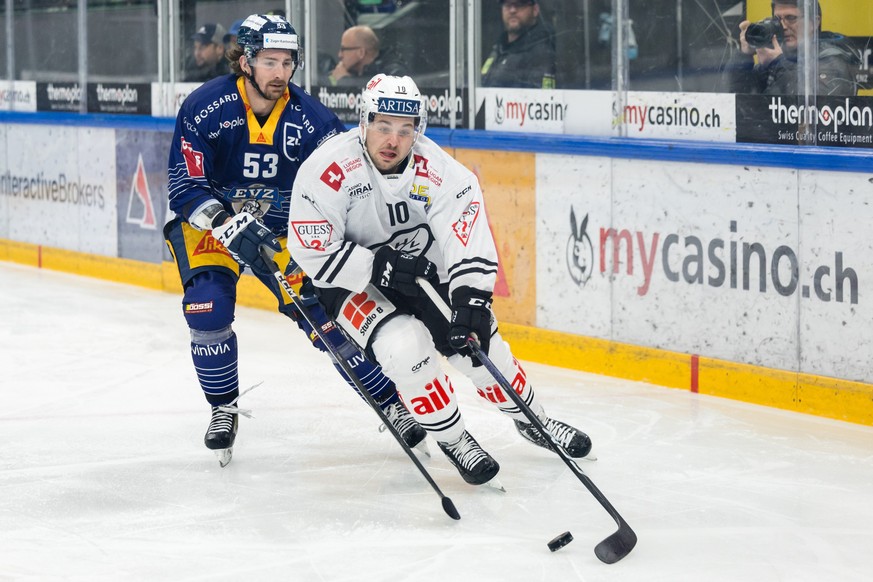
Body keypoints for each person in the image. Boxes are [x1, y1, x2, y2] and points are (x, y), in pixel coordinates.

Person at [287, 74, 591, 486]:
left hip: (423, 275)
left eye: (404, 130)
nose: (392, 140)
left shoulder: (445, 173)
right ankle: (453, 438)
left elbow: (467, 241)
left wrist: (472, 301)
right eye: (382, 126)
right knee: (405, 347)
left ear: (418, 131)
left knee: (481, 347)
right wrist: (381, 267)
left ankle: (534, 418)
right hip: (352, 282)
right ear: (363, 122)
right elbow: (312, 251)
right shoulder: (327, 170)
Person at [165, 15, 425, 466]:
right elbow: (185, 186)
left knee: (326, 321)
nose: (280, 73)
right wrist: (225, 222)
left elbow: (340, 183)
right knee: (207, 308)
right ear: (245, 61)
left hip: (282, 234)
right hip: (210, 228)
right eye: (270, 61)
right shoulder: (205, 107)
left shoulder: (312, 119)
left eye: (288, 62)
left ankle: (391, 404)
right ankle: (223, 407)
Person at [736, 0, 857, 95]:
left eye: (791, 18)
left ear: (814, 22)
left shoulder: (833, 62)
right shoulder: (780, 61)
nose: (782, 26)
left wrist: (777, 64)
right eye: (777, 19)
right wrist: (743, 57)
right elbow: (734, 104)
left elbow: (816, 109)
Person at [481, 0, 556, 89]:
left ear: (535, 10)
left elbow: (538, 99)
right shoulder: (499, 49)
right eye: (507, 4)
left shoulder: (541, 53)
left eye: (520, 4)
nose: (512, 10)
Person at [327, 25, 406, 87]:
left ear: (361, 52)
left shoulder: (393, 73)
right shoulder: (353, 71)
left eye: (344, 49)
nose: (340, 55)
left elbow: (373, 96)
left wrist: (345, 81)